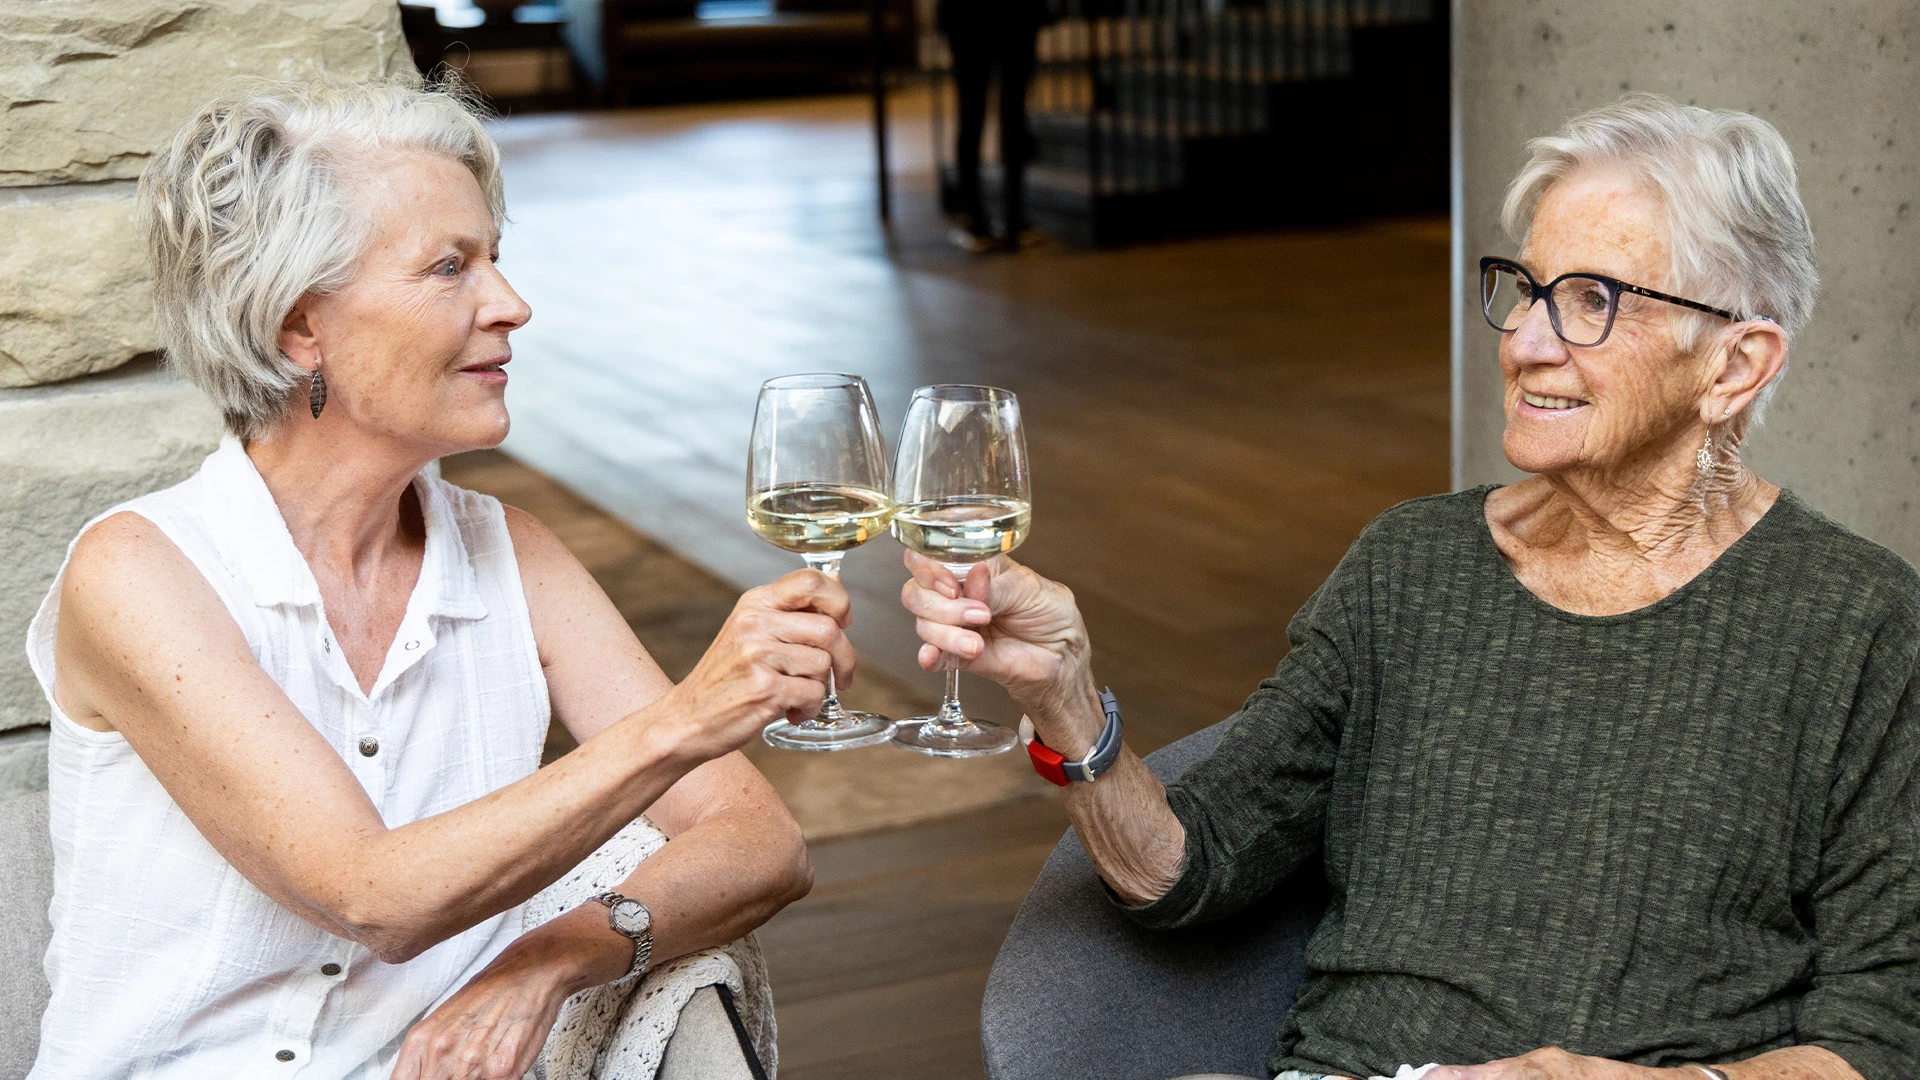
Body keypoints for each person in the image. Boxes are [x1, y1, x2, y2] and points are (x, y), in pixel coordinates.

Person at [902, 94, 1920, 1080]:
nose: (1522, 343)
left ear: (1735, 367)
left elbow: (1882, 1041)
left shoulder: (1859, 627)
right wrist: (1065, 696)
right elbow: (1187, 867)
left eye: (1591, 302)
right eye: (1527, 288)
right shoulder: (1413, 566)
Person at [24, 78, 841, 1079]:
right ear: (298, 328)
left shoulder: (514, 553)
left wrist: (552, 959)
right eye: (449, 267)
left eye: (494, 259)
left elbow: (761, 839)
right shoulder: (141, 573)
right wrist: (689, 718)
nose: (511, 305)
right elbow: (372, 897)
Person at [939, 0, 1051, 252]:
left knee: (971, 115)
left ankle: (976, 220)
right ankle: (1012, 217)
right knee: (1012, 116)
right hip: (1016, 14)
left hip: (967, 16)